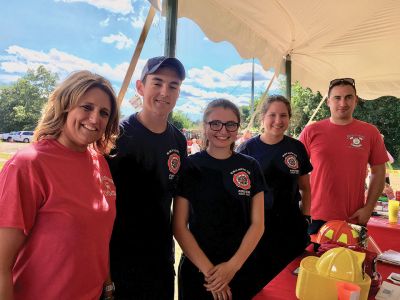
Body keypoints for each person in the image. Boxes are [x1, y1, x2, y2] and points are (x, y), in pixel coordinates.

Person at [0, 70, 120, 300]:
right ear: (66, 105)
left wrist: (107, 287)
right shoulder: (29, 164)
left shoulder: (100, 163)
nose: (95, 119)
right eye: (86, 107)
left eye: (104, 113)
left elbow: (97, 237)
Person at [107, 56, 187, 299]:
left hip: (161, 256)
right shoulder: (115, 136)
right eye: (157, 83)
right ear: (141, 87)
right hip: (119, 257)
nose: (165, 92)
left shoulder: (178, 140)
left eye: (173, 86)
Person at [173, 99, 266, 300]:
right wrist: (211, 274)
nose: (223, 130)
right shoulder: (190, 166)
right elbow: (179, 226)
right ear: (205, 126)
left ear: (238, 128)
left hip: (240, 267)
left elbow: (258, 224)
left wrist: (232, 267)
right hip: (198, 270)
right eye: (215, 123)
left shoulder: (251, 166)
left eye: (230, 124)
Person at [237, 95, 312, 290]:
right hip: (257, 229)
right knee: (259, 283)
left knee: (288, 282)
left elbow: (305, 188)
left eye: (283, 115)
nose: (278, 121)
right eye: (272, 115)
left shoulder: (296, 148)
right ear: (262, 117)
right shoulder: (247, 148)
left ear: (289, 118)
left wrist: (306, 216)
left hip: (290, 227)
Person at [299, 78, 388, 234]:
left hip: (353, 218)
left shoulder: (370, 132)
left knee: (352, 259)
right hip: (315, 217)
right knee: (312, 259)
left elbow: (378, 172)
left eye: (348, 97)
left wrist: (369, 208)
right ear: (328, 101)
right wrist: (301, 206)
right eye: (337, 98)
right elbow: (296, 171)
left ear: (356, 100)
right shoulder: (311, 131)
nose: (343, 103)